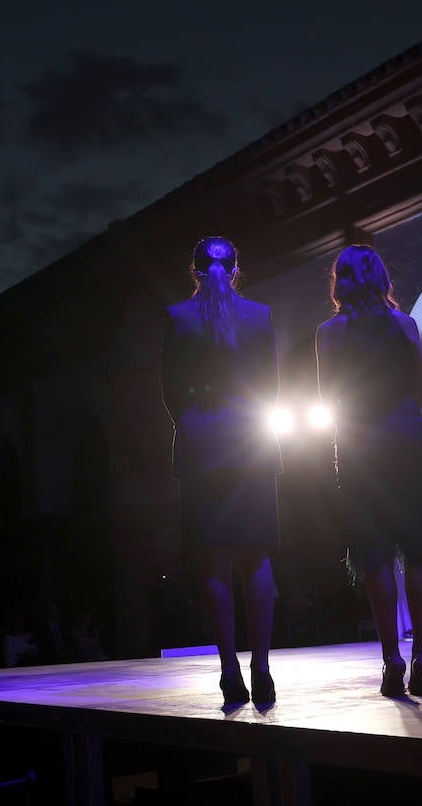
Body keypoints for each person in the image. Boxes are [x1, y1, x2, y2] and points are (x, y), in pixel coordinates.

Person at [161, 236, 283, 708]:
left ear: (194, 271)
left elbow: (170, 393)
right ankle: (263, 667)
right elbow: (269, 388)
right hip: (251, 442)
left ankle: (229, 668)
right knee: (256, 556)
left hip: (201, 444)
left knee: (213, 559)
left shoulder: (177, 318)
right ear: (235, 270)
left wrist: (196, 424)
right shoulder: (259, 315)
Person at [316, 244, 422, 697]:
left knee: (374, 554)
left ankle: (391, 658)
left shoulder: (329, 333)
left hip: (361, 446)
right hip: (408, 439)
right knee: (420, 550)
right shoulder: (405, 325)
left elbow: (329, 398)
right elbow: (419, 392)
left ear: (340, 282)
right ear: (382, 278)